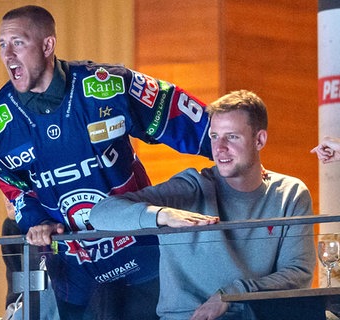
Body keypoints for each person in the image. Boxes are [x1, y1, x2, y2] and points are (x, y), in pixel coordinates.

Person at [0, 5, 212, 319]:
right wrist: (36, 220)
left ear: (48, 45)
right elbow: (13, 186)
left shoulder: (107, 85)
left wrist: (241, 149)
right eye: (2, 44)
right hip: (74, 274)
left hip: (141, 257)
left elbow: (183, 118)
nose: (8, 54)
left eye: (18, 43)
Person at [90, 89, 316, 319]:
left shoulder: (291, 193)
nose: (219, 148)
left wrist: (231, 295)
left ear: (259, 140)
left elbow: (298, 273)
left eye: (232, 136)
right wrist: (161, 216)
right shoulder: (191, 187)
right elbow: (100, 214)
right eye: (214, 136)